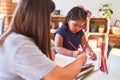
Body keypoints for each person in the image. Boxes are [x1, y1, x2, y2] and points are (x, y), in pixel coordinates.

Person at [0, 0, 87, 80]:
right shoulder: (19, 44)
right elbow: (60, 77)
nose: (50, 23)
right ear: (37, 19)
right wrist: (81, 60)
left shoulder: (18, 38)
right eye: (49, 19)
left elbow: (51, 56)